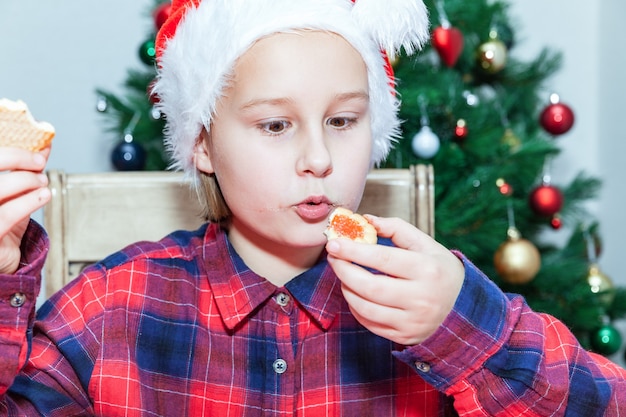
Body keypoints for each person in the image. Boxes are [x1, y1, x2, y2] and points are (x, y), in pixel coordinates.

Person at [1, 0, 625, 415]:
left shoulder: (430, 296)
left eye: (343, 120)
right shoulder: (111, 306)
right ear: (203, 144)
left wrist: (466, 328)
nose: (319, 158)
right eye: (276, 125)